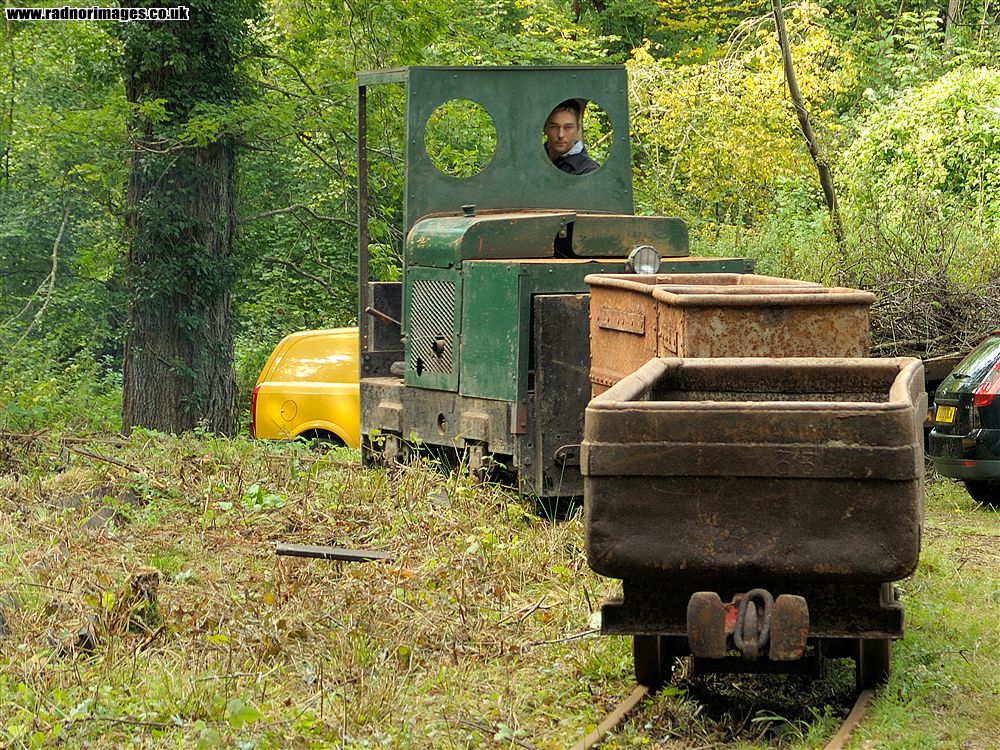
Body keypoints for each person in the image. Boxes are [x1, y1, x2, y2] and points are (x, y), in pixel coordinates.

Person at [543, 99, 600, 175]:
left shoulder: (588, 170)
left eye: (568, 127)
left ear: (577, 128)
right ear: (545, 128)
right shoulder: (533, 157)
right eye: (554, 127)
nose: (561, 135)